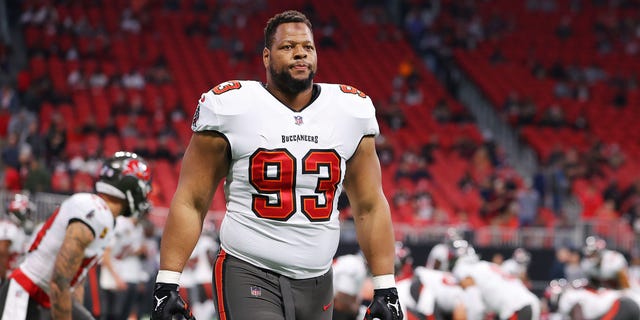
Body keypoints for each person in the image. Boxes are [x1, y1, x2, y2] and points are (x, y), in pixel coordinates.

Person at [152, 10, 402, 320]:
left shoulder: (351, 111)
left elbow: (370, 206)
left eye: (307, 47)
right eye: (288, 46)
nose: (300, 52)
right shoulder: (232, 106)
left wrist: (385, 288)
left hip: (318, 279)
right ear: (267, 57)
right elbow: (192, 199)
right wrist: (167, 282)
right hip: (249, 270)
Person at [0, 151, 152, 320]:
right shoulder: (94, 211)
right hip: (26, 295)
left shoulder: (103, 216)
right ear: (130, 187)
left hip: (45, 298)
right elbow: (59, 281)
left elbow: (75, 281)